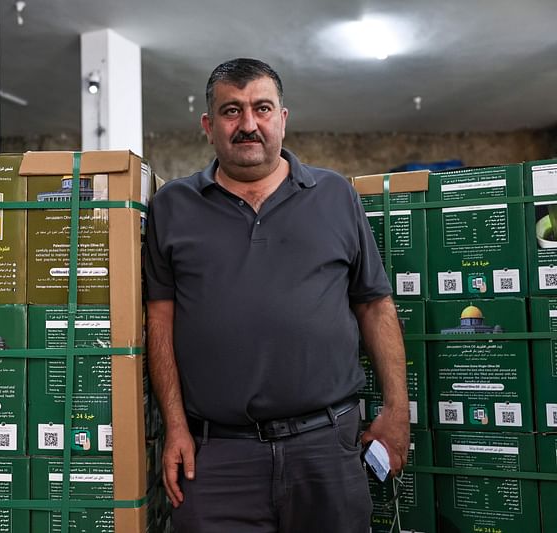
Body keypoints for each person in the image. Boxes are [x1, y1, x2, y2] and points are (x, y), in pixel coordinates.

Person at [145, 58, 409, 533]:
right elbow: (160, 321)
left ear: (282, 119)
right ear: (209, 126)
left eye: (261, 108)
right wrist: (175, 427)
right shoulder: (173, 206)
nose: (248, 124)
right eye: (231, 111)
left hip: (326, 447)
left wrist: (396, 411)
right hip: (216, 456)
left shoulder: (335, 195)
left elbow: (374, 304)